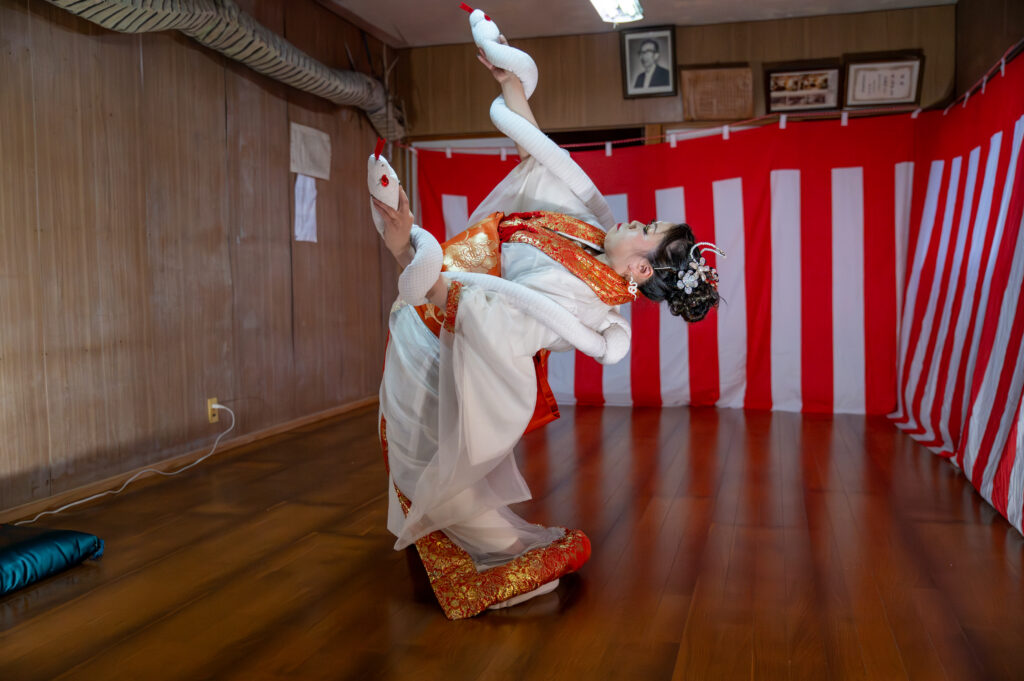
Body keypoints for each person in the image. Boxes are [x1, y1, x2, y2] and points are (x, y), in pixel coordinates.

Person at [370, 37, 718, 616]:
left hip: (435, 344)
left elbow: (477, 313)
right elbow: (547, 162)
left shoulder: (576, 298)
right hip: (429, 318)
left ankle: (505, 561)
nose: (635, 218)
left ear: (639, 267)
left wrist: (405, 245)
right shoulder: (592, 239)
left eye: (647, 226)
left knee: (422, 458)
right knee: (419, 460)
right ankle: (477, 544)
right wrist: (510, 82)